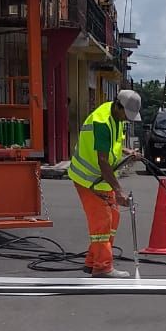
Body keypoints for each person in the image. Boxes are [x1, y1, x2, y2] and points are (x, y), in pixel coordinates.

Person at [67, 89, 143, 277]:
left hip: (102, 180)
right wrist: (118, 190)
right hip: (89, 179)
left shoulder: (115, 118)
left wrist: (127, 152)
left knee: (113, 217)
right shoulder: (102, 122)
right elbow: (102, 160)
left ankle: (92, 261)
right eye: (126, 114)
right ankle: (102, 267)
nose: (127, 119)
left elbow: (111, 145)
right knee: (102, 222)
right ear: (118, 105)